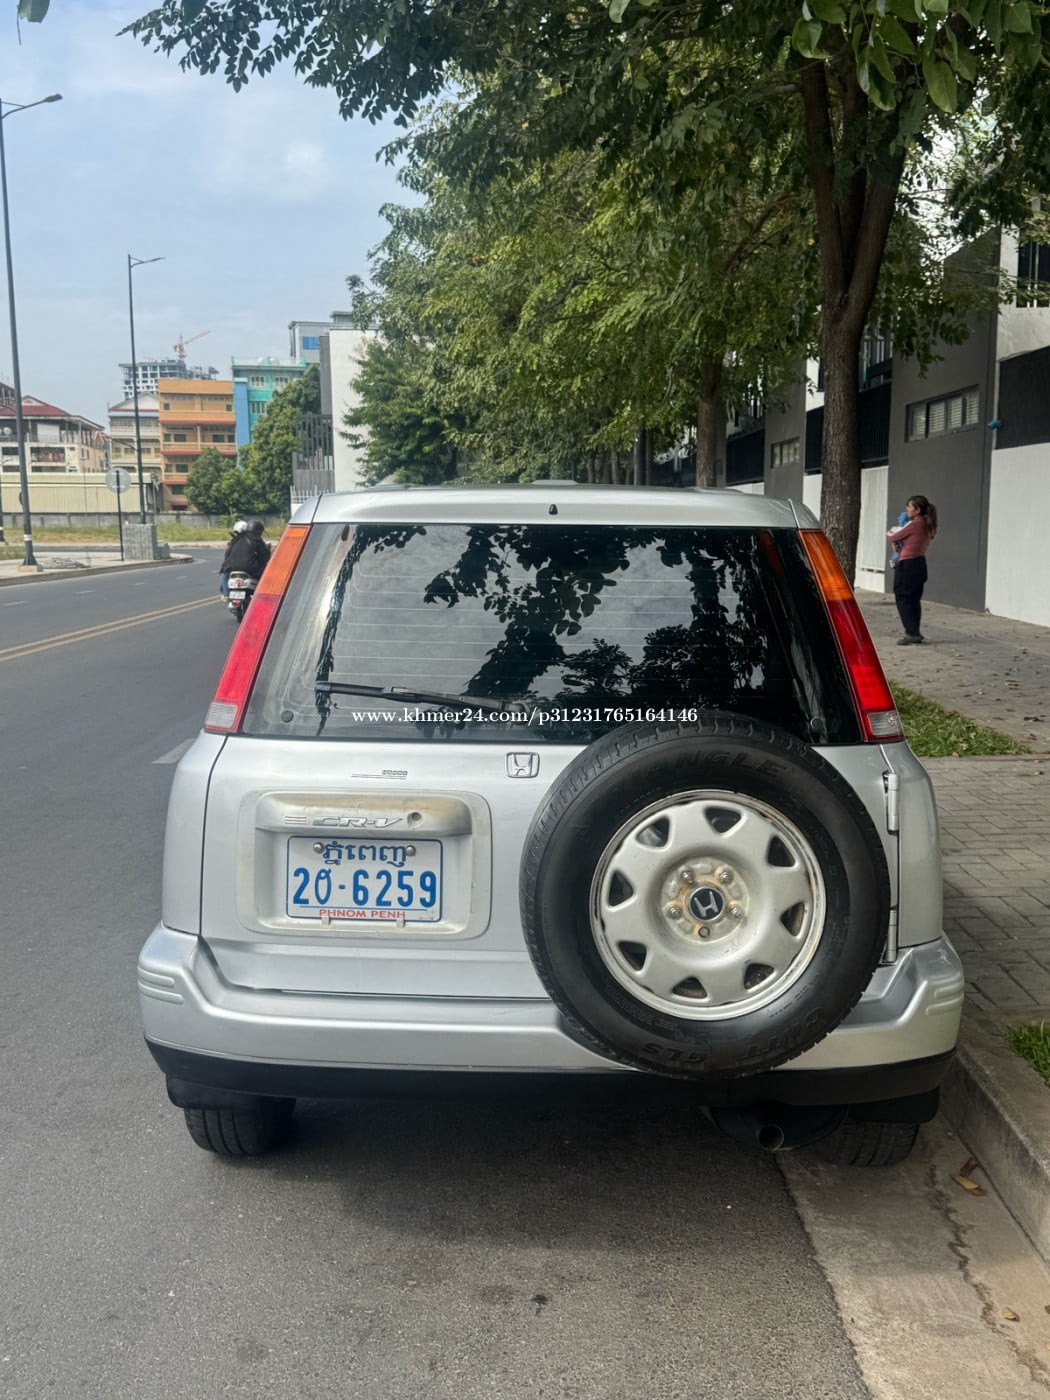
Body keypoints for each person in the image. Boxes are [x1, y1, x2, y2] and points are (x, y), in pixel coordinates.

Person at [886, 495, 937, 645]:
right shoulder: (927, 524)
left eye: (909, 506)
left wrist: (894, 535)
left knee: (903, 598)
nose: (906, 509)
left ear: (917, 509)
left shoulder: (915, 524)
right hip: (920, 563)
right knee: (914, 599)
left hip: (907, 565)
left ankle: (911, 633)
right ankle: (915, 631)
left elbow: (893, 535)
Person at [223, 518, 272, 584]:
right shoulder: (256, 539)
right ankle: (262, 587)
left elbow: (227, 554)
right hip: (249, 568)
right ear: (258, 531)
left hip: (231, 568)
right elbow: (265, 556)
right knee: (265, 571)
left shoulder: (236, 538)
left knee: (225, 578)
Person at [218, 519, 248, 598]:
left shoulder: (233, 541)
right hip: (248, 566)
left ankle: (225, 594)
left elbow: (227, 555)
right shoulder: (252, 540)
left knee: (225, 575)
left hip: (231, 566)